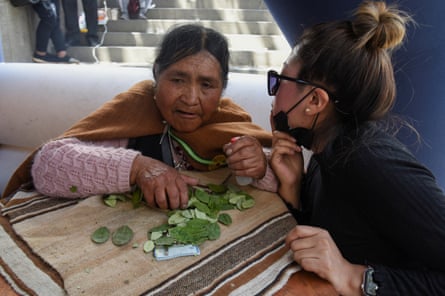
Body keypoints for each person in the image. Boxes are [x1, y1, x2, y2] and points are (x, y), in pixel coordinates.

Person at [225, 1, 445, 295]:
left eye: (280, 80)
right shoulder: (325, 150)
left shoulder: (370, 160)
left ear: (315, 102)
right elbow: (321, 240)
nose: (274, 91)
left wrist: (355, 276)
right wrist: (293, 188)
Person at [2, 24, 271, 210]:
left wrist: (260, 169)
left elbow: (284, 184)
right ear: (157, 73)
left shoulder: (229, 123)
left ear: (222, 87)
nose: (191, 98)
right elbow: (46, 166)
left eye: (207, 85)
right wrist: (138, 168)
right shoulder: (136, 110)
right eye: (178, 80)